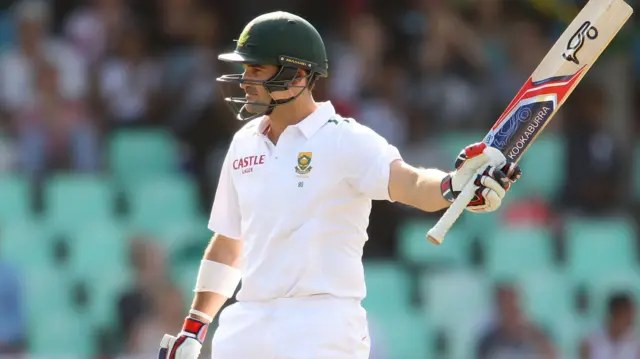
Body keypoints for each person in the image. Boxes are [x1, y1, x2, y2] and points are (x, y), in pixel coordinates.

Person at [158, 11, 522, 359]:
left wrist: (453, 185)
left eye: (256, 69)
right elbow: (228, 242)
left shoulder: (345, 139)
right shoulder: (243, 143)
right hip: (247, 323)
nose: (245, 80)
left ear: (298, 76)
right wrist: (195, 326)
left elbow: (411, 184)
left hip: (322, 325)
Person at [476, 283, 557, 359]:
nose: (509, 309)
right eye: (505, 305)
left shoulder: (539, 337)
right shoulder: (488, 343)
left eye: (512, 304)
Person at [579, 292, 640, 359]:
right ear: (615, 315)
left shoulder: (636, 344)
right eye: (627, 317)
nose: (631, 322)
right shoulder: (590, 342)